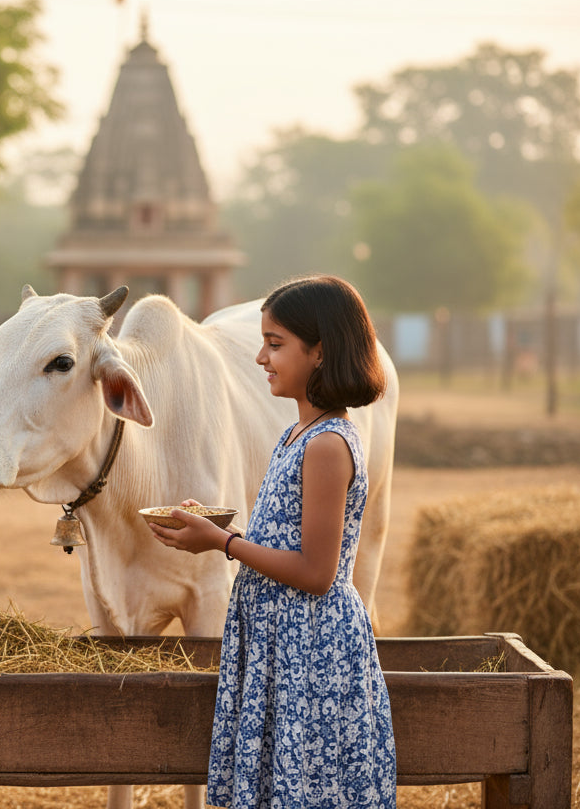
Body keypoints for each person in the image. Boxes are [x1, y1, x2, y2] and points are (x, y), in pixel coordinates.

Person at [149, 274, 396, 808]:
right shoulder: (296, 434)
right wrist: (218, 529)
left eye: (275, 344)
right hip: (282, 644)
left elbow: (317, 573)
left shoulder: (327, 445)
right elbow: (288, 536)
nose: (261, 357)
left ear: (320, 352)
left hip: (311, 648)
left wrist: (223, 543)